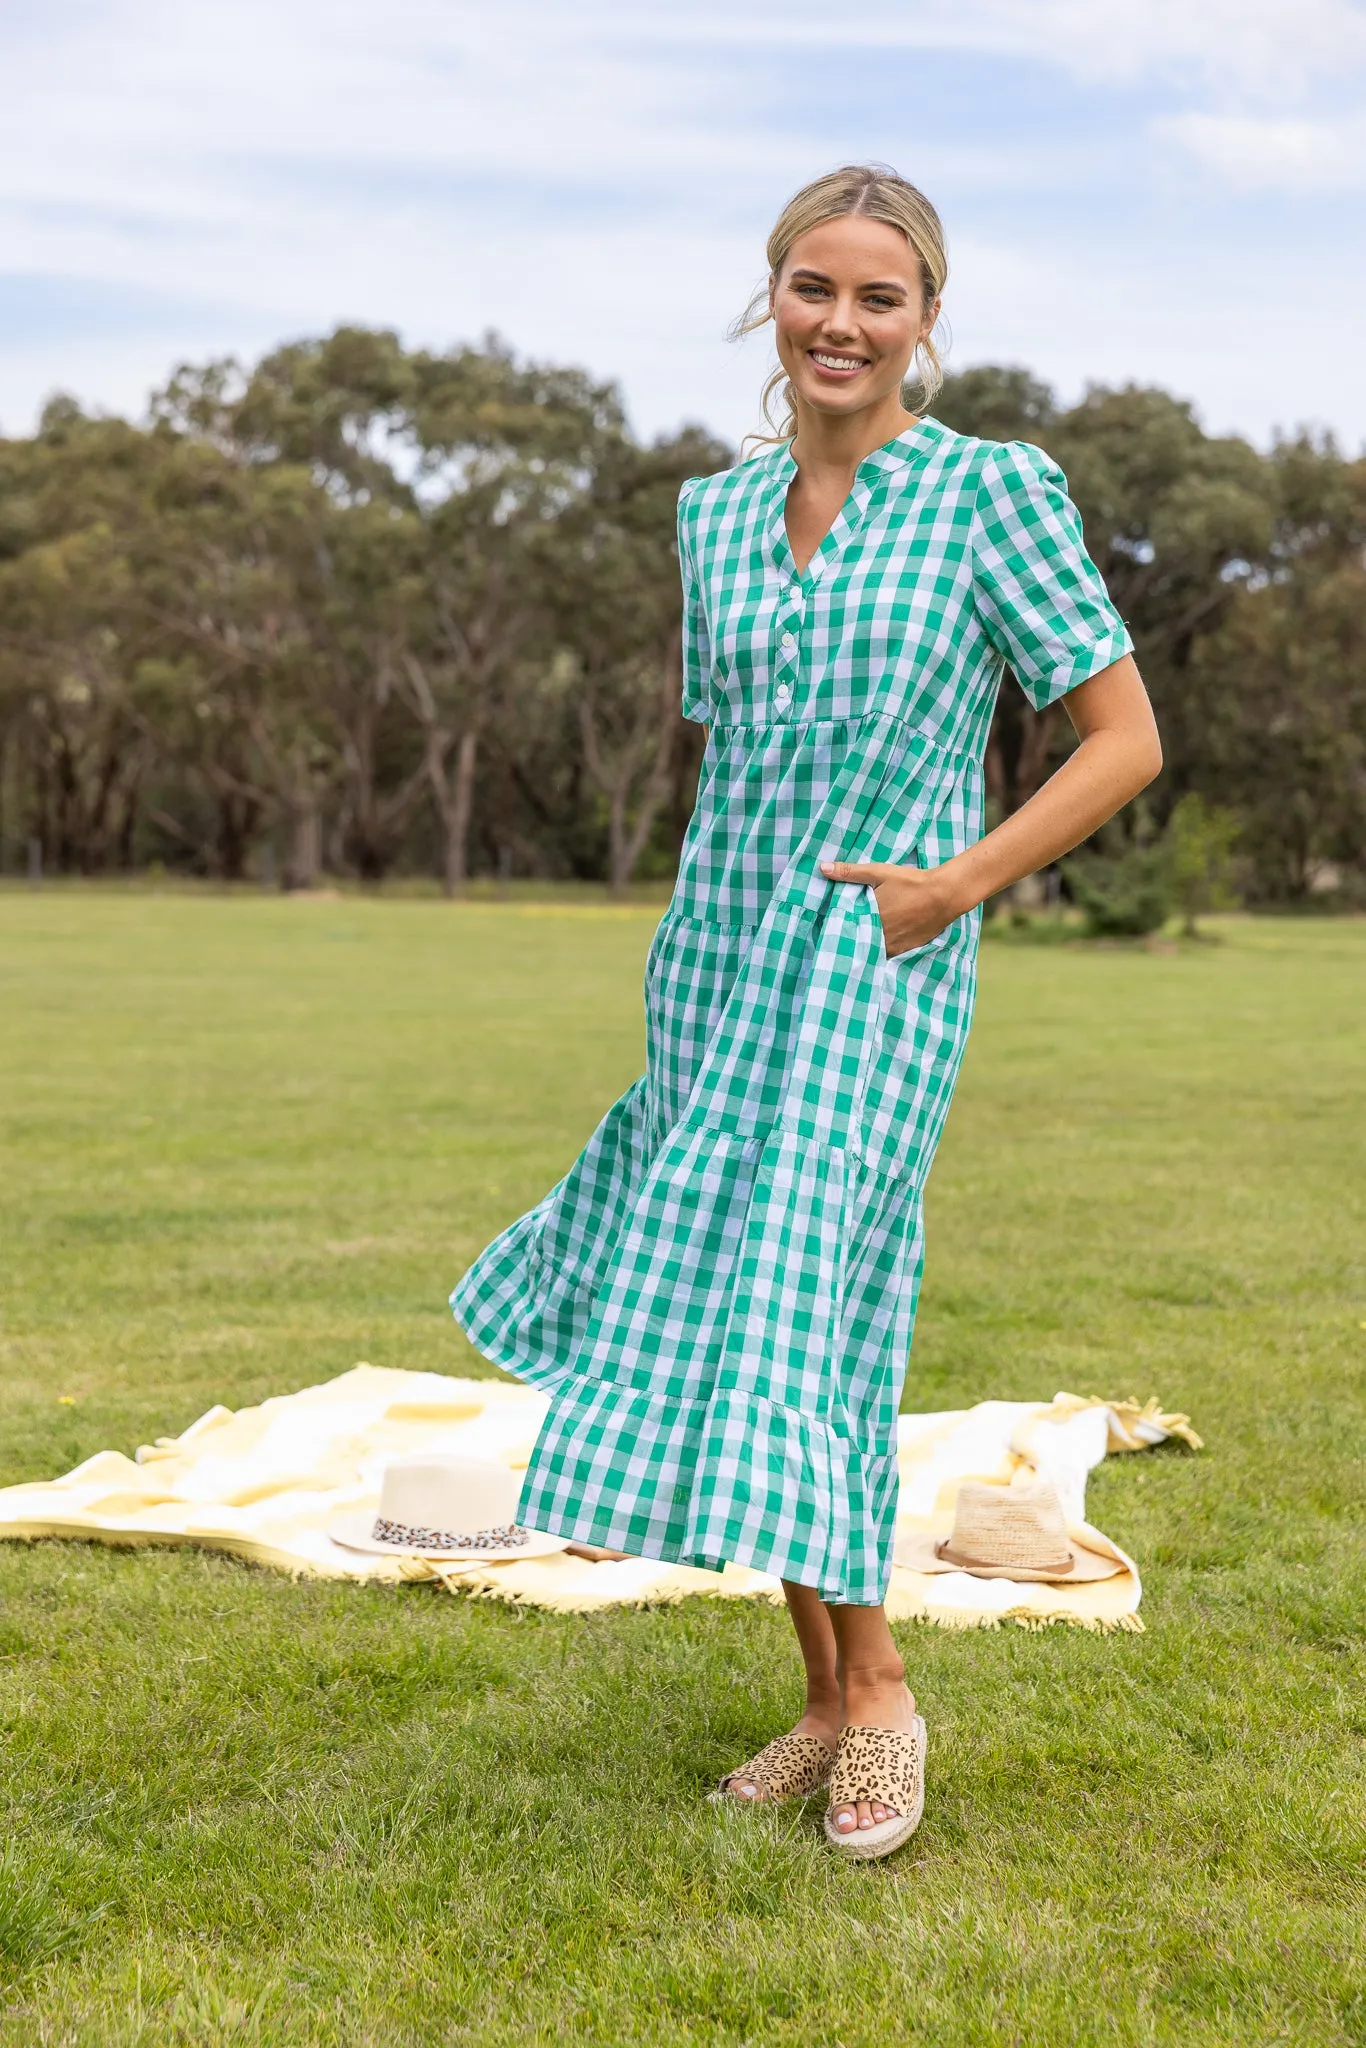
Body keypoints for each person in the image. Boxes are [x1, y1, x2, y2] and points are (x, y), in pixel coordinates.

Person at [453, 164, 1161, 1860]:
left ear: (926, 318)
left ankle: (884, 1696)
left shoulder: (990, 495)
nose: (841, 325)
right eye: (812, 290)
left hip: (881, 963)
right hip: (716, 963)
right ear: (768, 298)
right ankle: (826, 1693)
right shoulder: (709, 514)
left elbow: (1122, 739)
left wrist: (949, 885)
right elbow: (739, 767)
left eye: (879, 298)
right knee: (729, 1309)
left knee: (810, 1308)